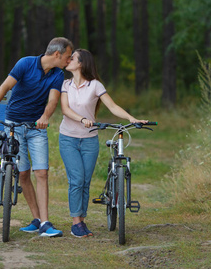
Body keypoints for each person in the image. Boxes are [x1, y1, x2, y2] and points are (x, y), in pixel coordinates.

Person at [0, 37, 74, 237]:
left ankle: (45, 223)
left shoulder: (58, 74)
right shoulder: (25, 63)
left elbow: (53, 100)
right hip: (14, 125)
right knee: (23, 174)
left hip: (37, 128)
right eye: (68, 56)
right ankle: (36, 219)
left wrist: (45, 117)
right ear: (57, 54)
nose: (70, 59)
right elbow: (4, 88)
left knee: (42, 173)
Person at [59, 48, 148, 238]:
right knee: (76, 179)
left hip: (90, 140)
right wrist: (83, 119)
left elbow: (113, 106)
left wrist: (132, 118)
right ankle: (76, 223)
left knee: (85, 181)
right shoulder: (65, 84)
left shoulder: (95, 85)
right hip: (68, 138)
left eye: (72, 58)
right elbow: (65, 110)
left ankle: (81, 220)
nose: (69, 60)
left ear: (81, 63)